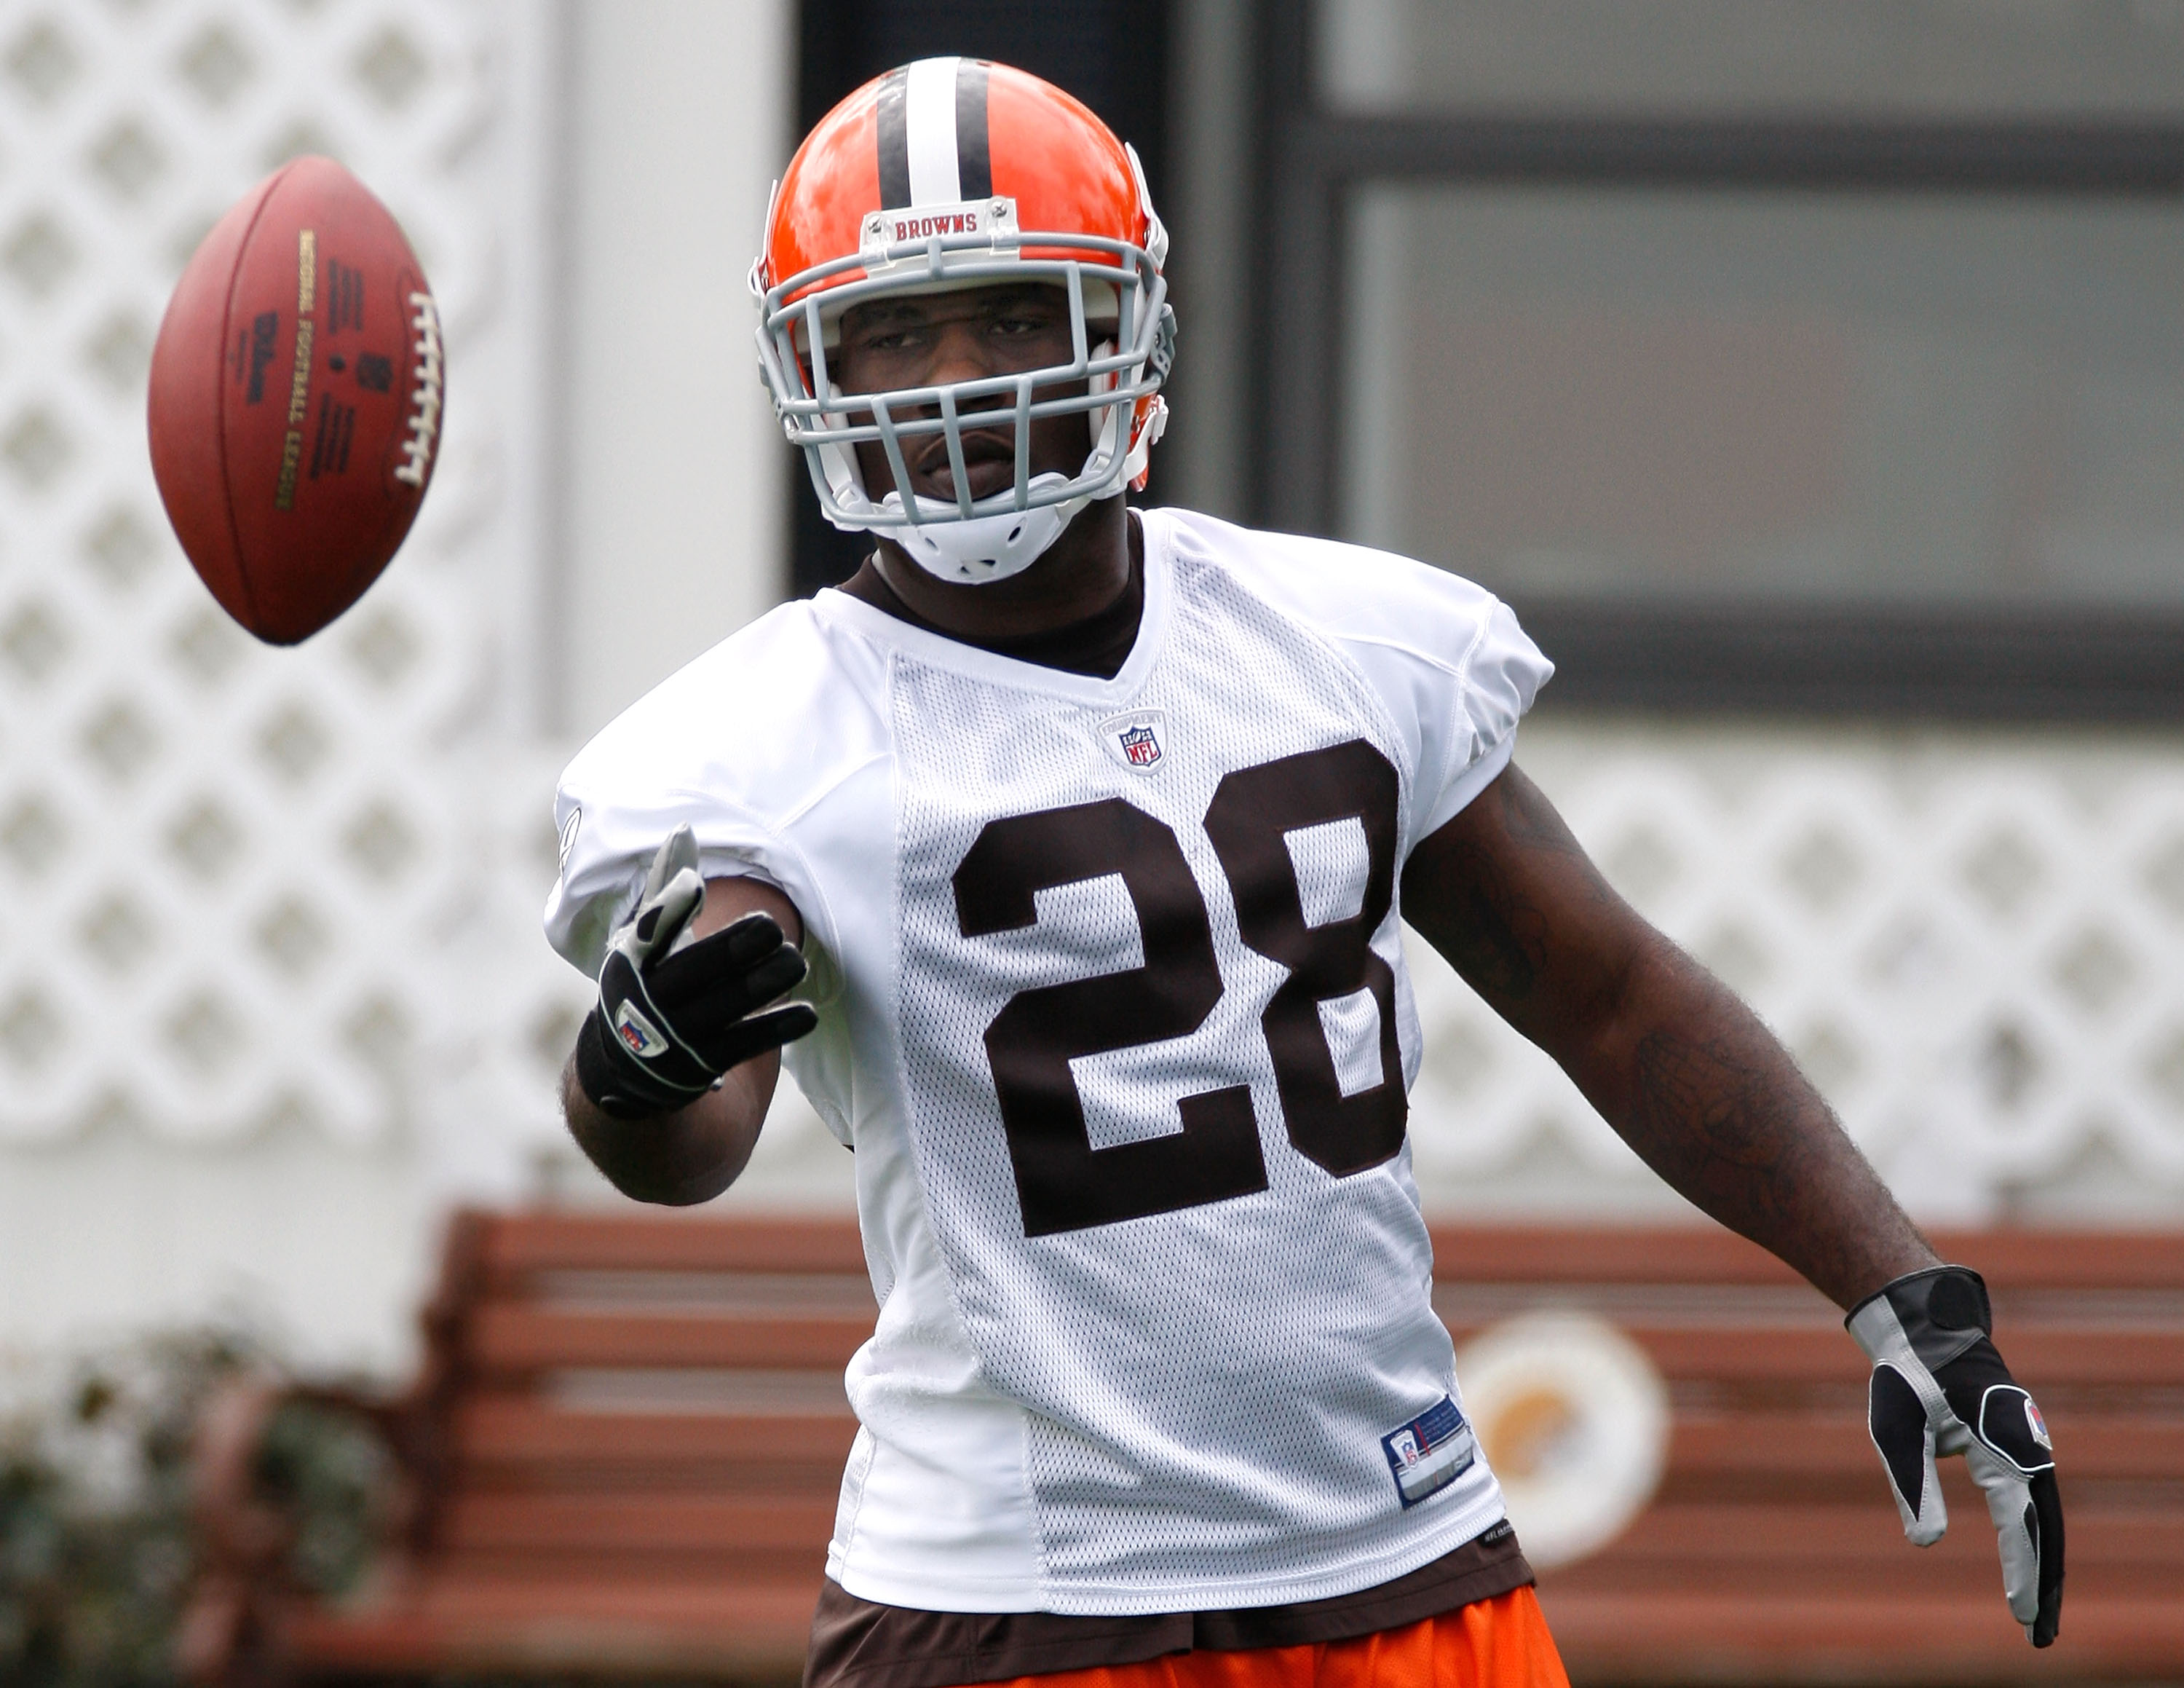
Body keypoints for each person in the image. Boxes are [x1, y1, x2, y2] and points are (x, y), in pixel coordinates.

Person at [545, 58, 2063, 1688]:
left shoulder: (1335, 640)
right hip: (1015, 1611)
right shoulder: (771, 740)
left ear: (1121, 328)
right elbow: (694, 1128)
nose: (957, 378)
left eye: (1007, 314)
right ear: (815, 364)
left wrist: (1902, 1288)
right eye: (897, 331)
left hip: (1411, 1566)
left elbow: (1608, 995)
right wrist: (633, 1068)